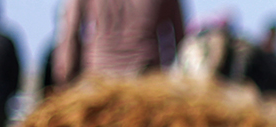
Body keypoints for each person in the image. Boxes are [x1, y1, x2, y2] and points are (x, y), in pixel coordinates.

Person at [52, 0, 184, 86]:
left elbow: (70, 34)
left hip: (97, 81)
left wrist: (66, 80)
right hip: (145, 83)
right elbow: (180, 40)